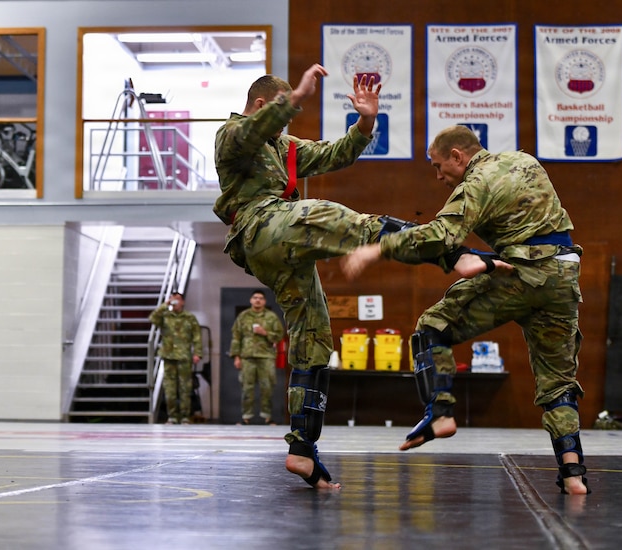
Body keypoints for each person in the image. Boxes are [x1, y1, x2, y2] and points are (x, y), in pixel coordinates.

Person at [213, 65, 499, 489]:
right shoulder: (231, 136)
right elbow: (252, 133)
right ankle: (451, 255)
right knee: (339, 218)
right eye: (283, 115)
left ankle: (302, 450)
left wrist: (366, 121)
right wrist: (294, 99)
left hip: (281, 249)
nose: (288, 124)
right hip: (260, 227)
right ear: (262, 105)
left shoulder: (285, 146)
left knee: (314, 335)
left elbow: (335, 154)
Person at [342, 124, 590, 495]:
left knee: (432, 327)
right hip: (564, 277)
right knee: (558, 384)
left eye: (439, 166)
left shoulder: (477, 183)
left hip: (523, 274)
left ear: (459, 156)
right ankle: (573, 475)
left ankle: (440, 412)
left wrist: (377, 250)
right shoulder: (526, 160)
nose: (439, 176)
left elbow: (441, 235)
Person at [230, 289, 285, 425]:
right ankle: (246, 417)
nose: (258, 300)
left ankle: (267, 417)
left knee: (267, 387)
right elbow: (236, 337)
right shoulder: (243, 316)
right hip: (247, 357)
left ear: (264, 301)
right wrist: (236, 357)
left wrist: (265, 332)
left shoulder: (271, 317)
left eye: (260, 298)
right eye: (255, 297)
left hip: (266, 356)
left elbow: (280, 335)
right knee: (247, 387)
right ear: (251, 300)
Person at [149, 292, 202, 425]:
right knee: (170, 388)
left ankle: (185, 416)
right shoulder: (165, 316)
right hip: (168, 356)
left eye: (178, 299)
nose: (175, 301)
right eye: (173, 299)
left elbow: (197, 336)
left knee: (185, 387)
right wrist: (165, 305)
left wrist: (197, 353)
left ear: (183, 302)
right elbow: (153, 318)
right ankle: (172, 416)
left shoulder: (190, 317)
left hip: (184, 357)